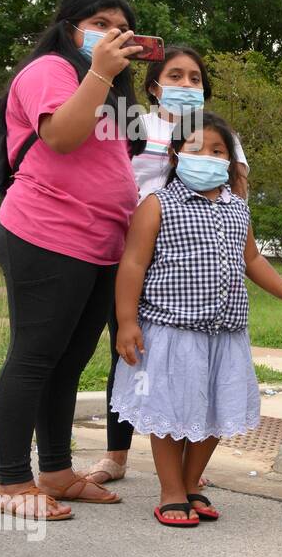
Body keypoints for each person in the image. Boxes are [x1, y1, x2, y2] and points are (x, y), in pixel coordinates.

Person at [112, 111, 282, 526]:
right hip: (173, 331)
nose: (207, 156)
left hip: (226, 333)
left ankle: (192, 484)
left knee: (216, 411)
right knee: (171, 414)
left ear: (230, 160)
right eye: (196, 148)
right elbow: (133, 264)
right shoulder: (157, 205)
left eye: (218, 150)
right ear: (176, 154)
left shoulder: (237, 209)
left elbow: (253, 259)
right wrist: (126, 320)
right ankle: (171, 490)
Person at [0, 0, 147, 521]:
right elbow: (60, 137)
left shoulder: (114, 94)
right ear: (68, 26)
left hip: (102, 242)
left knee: (68, 362)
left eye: (121, 27)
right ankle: (11, 482)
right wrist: (100, 72)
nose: (110, 33)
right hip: (45, 232)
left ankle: (56, 470)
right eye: (99, 22)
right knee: (34, 357)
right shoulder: (48, 71)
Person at [88, 45, 251, 488]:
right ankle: (116, 455)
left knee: (195, 363)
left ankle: (187, 471)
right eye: (175, 76)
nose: (185, 84)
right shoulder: (133, 124)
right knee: (129, 351)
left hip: (190, 263)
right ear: (154, 85)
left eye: (195, 78)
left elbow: (238, 192)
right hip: (130, 254)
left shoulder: (220, 135)